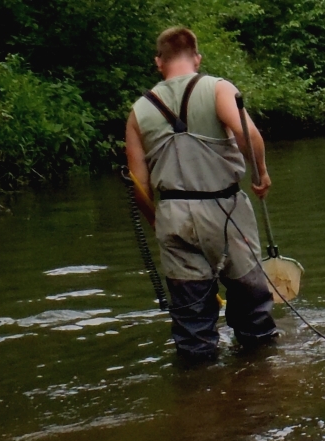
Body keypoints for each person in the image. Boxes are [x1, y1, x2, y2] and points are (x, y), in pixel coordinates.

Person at [124, 26, 277, 360]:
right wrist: (260, 173)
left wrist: (158, 223)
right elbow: (248, 135)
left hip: (173, 216)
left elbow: (139, 187)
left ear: (158, 62)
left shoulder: (138, 111)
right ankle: (261, 379)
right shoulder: (217, 88)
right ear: (197, 58)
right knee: (252, 309)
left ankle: (196, 394)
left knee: (192, 323)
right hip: (225, 209)